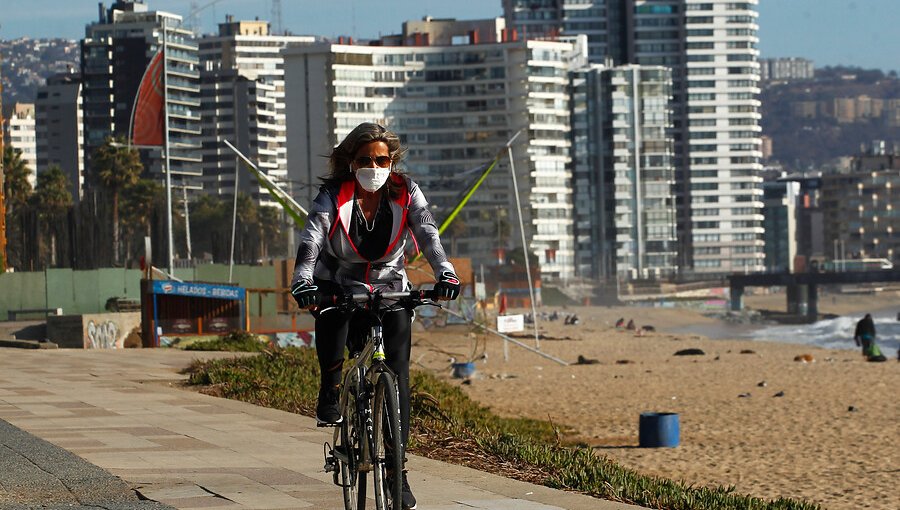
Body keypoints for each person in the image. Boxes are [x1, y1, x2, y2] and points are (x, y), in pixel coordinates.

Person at [290, 123, 459, 510]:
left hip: (390, 289)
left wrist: (445, 272)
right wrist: (303, 280)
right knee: (332, 318)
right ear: (351, 162)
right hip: (339, 285)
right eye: (365, 159)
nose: (374, 166)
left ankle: (397, 473)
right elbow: (311, 239)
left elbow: (429, 235)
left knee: (398, 376)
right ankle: (330, 388)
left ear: (391, 161)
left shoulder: (405, 191)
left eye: (381, 159)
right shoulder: (333, 195)